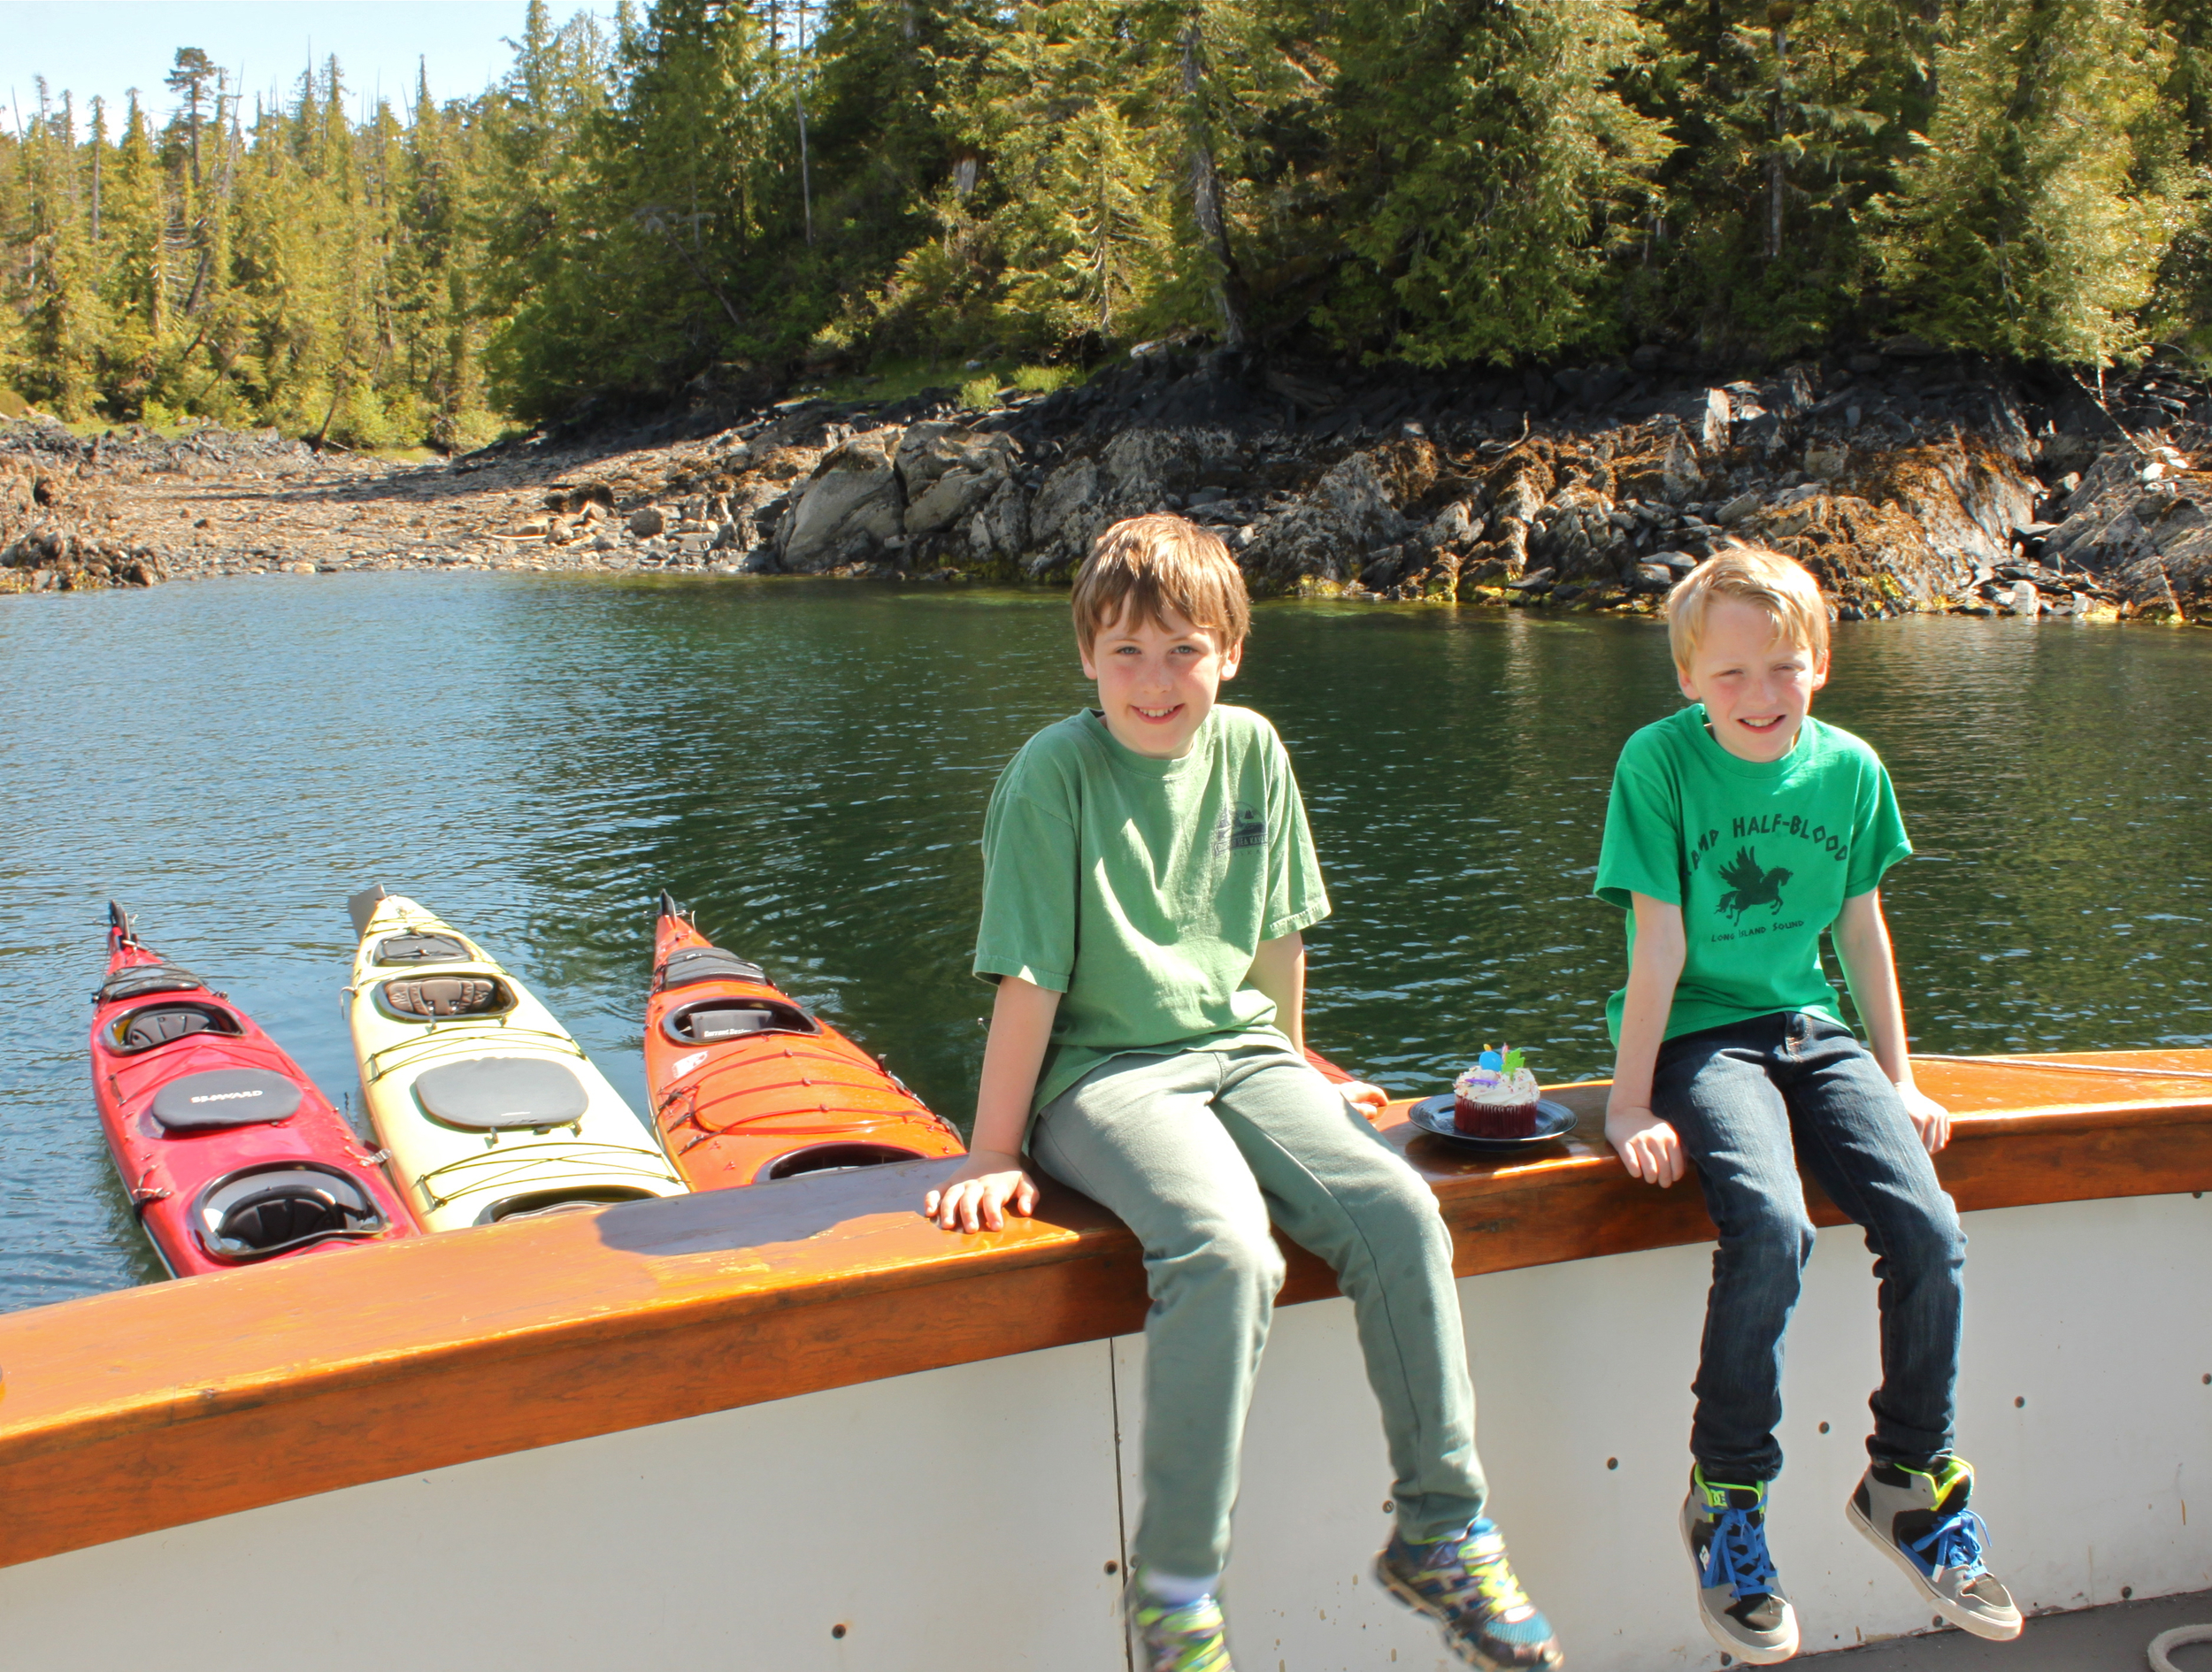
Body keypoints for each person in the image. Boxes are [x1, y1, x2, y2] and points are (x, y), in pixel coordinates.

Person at [923, 514, 1561, 1672]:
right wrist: (989, 1154)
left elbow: (1276, 939)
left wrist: (1306, 1070)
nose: (1156, 681)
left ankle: (1442, 1528)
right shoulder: (1052, 775)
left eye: (1184, 650)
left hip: (1244, 1055)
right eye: (1127, 652)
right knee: (1227, 1249)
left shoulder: (1254, 750)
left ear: (1231, 651)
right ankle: (1176, 1599)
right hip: (1105, 1075)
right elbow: (1027, 979)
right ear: (1084, 657)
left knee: (1399, 1210)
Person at [1594, 544, 2022, 1665]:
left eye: (1783, 668)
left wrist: (1899, 1075)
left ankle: (1907, 1478)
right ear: (1689, 678)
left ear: (1820, 664)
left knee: (1929, 1229)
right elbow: (1659, 945)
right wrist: (1627, 1105)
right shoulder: (1658, 765)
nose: (1758, 695)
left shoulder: (1850, 769)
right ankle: (1726, 1495)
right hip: (1698, 1036)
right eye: (1729, 675)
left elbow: (1861, 931)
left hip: (1809, 1029)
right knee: (1773, 1228)